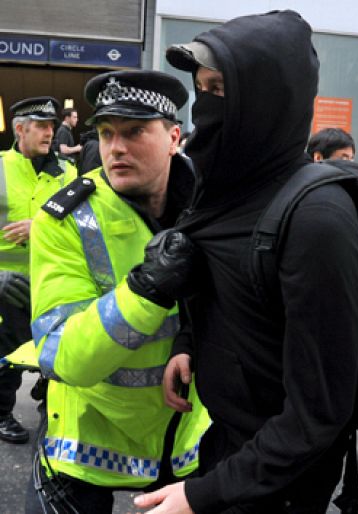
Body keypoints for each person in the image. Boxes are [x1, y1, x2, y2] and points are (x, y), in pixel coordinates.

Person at [134, 11, 358, 513]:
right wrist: (188, 341)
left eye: (219, 88)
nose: (205, 105)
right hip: (228, 445)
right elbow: (224, 277)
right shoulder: (226, 186)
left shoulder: (317, 218)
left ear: (267, 100)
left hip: (280, 479)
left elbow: (318, 412)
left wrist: (201, 496)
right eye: (200, 87)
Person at [25, 71, 209, 513]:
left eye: (135, 132)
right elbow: (62, 354)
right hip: (90, 436)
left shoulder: (211, 206)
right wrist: (146, 289)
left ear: (173, 137)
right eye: (106, 133)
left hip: (186, 432)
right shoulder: (65, 219)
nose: (115, 148)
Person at [0, 97, 78, 445]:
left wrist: (42, 225)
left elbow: (84, 226)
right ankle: (1, 413)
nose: (50, 132)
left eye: (52, 125)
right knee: (6, 358)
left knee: (58, 352)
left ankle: (50, 402)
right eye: (42, 126)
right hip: (6, 286)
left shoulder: (69, 174)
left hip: (52, 283)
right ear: (20, 129)